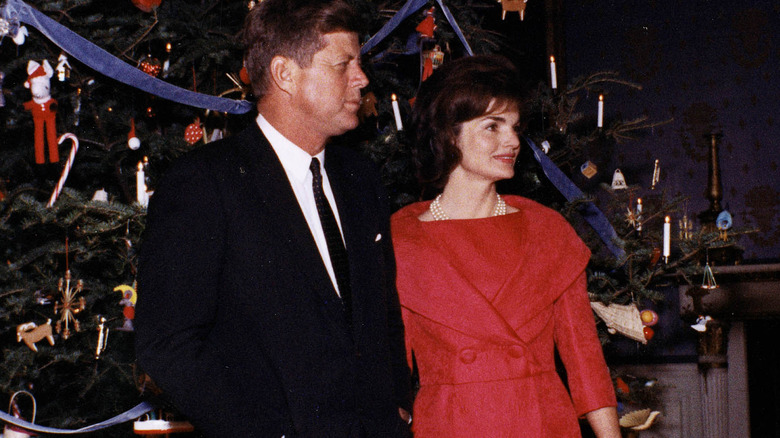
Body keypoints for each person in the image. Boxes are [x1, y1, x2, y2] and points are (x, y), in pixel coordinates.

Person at [134, 1, 412, 437]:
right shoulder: (204, 183)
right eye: (343, 64)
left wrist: (398, 409)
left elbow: (383, 316)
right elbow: (168, 344)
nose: (361, 79)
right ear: (285, 74)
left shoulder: (361, 180)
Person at [391, 55, 621, 437]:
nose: (512, 141)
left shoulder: (548, 231)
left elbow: (586, 364)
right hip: (450, 426)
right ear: (449, 134)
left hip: (541, 422)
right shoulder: (402, 242)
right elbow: (393, 379)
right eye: (492, 127)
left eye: (514, 127)